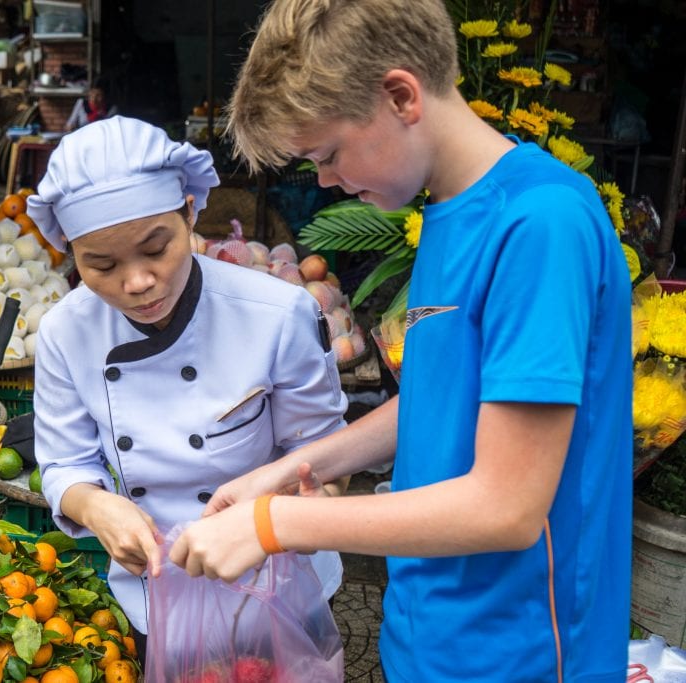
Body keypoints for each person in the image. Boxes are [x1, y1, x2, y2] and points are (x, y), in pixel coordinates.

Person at [168, 1, 633, 681]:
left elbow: (506, 507)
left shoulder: (541, 223)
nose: (325, 181)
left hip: (520, 653)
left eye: (326, 154)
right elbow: (440, 398)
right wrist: (293, 469)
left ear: (400, 96)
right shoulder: (447, 207)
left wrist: (275, 525)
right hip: (428, 634)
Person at [26, 115, 347, 650]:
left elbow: (325, 456)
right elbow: (64, 464)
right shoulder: (66, 330)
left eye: (156, 249)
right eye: (100, 265)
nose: (136, 283)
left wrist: (297, 508)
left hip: (279, 581)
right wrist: (97, 507)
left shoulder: (277, 313)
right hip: (157, 588)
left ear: (191, 211)